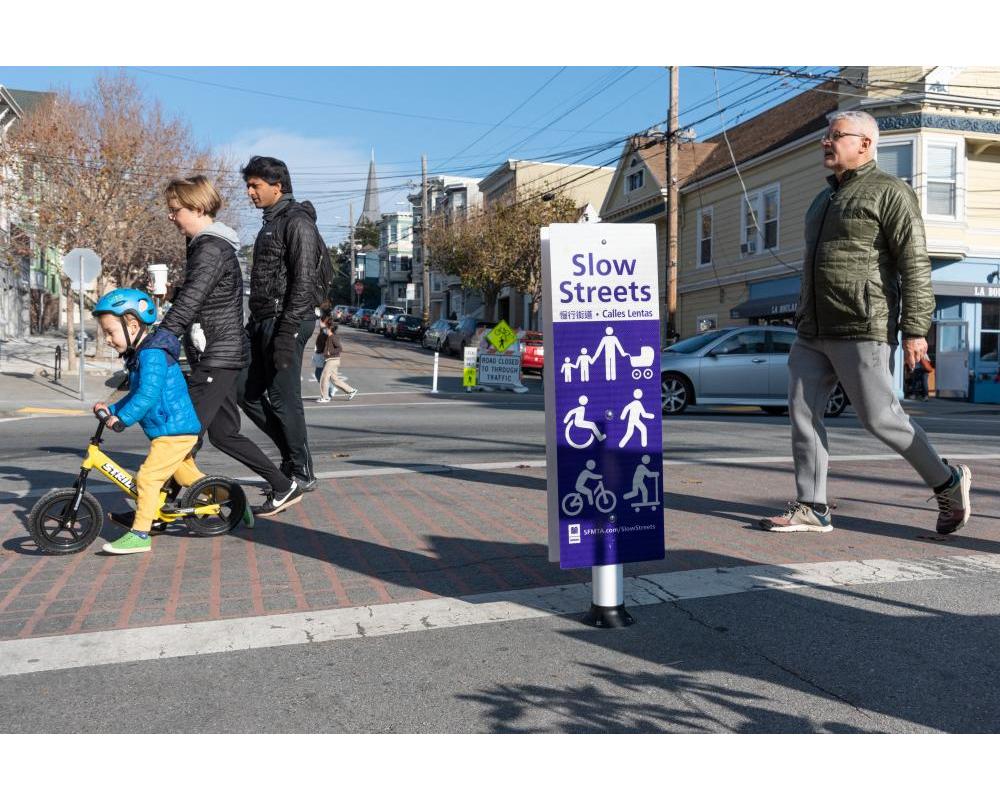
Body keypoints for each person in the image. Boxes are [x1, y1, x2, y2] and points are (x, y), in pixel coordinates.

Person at [760, 109, 971, 537]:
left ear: (865, 144)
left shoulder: (890, 192)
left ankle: (948, 481)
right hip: (812, 329)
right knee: (803, 415)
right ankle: (813, 506)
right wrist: (803, 312)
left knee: (880, 418)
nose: (827, 142)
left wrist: (915, 329)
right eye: (826, 135)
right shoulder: (823, 201)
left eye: (836, 136)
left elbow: (914, 262)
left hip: (862, 323)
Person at [159, 175, 303, 519]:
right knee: (223, 434)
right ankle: (284, 486)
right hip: (220, 352)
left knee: (180, 431)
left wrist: (161, 338)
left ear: (195, 207)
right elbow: (203, 297)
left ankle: (157, 501)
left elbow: (193, 300)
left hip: (217, 356)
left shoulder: (210, 248)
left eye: (175, 209)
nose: (171, 216)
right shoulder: (206, 246)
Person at [92, 289, 204, 554]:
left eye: (110, 332)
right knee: (190, 477)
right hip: (169, 429)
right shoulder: (142, 355)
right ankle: (232, 499)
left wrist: (123, 419)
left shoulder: (151, 355)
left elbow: (148, 394)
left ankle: (141, 533)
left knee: (148, 478)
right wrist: (111, 408)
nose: (108, 339)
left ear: (132, 325)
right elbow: (135, 394)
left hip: (175, 430)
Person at [239, 156, 327, 492]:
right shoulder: (270, 222)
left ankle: (301, 471)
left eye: (255, 185)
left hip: (286, 320)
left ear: (278, 186)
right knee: (243, 390)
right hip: (263, 319)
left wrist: (287, 332)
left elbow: (304, 282)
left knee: (283, 398)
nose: (250, 192)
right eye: (248, 185)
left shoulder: (297, 222)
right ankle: (291, 457)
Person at [316, 318, 358, 403]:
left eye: (326, 328)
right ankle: (351, 390)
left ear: (330, 328)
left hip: (332, 360)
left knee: (324, 377)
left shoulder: (333, 337)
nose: (325, 330)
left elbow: (340, 348)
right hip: (332, 360)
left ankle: (325, 397)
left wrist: (329, 352)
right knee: (335, 379)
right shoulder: (330, 336)